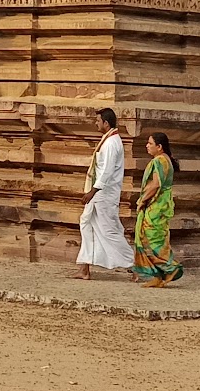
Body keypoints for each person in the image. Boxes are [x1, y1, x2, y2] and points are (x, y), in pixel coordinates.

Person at [73, 107, 132, 280]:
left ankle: (134, 265)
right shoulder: (108, 140)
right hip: (99, 194)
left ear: (106, 123)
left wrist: (92, 191)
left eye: (98, 121)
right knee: (86, 225)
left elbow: (106, 172)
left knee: (109, 231)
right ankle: (84, 268)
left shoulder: (113, 143)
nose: (95, 123)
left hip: (104, 195)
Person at [132, 132, 184, 288]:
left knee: (150, 238)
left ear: (159, 147)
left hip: (156, 205)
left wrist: (142, 200)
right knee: (156, 237)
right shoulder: (166, 160)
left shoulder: (159, 161)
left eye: (150, 143)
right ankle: (157, 276)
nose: (147, 146)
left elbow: (155, 185)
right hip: (162, 204)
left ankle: (170, 267)